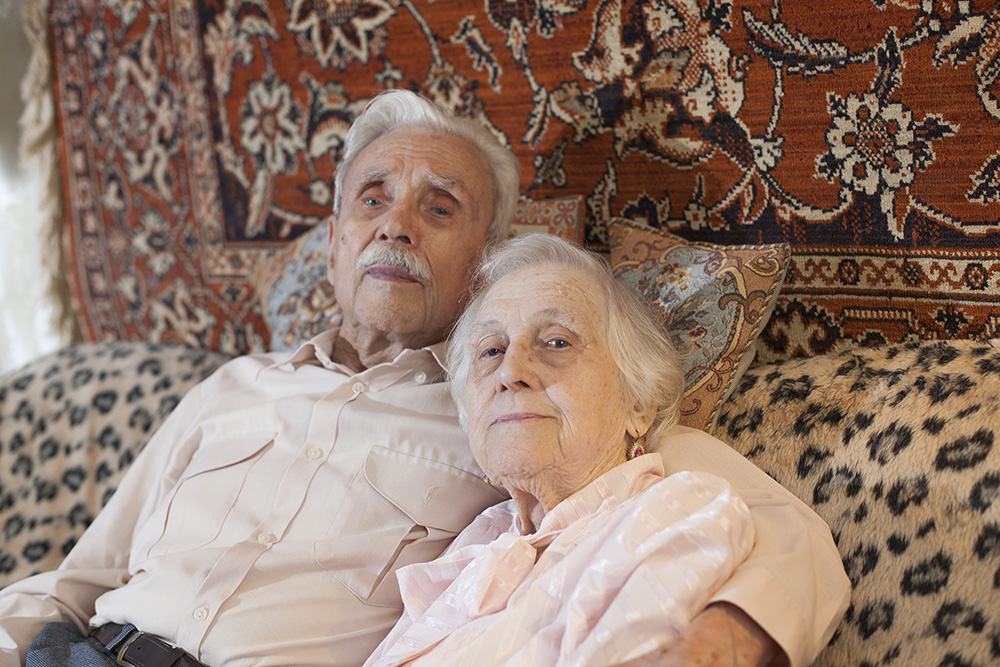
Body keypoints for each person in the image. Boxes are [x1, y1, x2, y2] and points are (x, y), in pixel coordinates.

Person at [0, 89, 848, 667]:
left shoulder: (511, 405)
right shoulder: (231, 389)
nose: (396, 224)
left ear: (484, 261)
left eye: (439, 206)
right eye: (372, 198)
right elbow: (72, 585)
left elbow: (787, 535)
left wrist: (722, 640)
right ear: (335, 241)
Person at [364, 233, 764, 666]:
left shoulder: (676, 515)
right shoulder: (483, 538)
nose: (510, 371)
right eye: (492, 350)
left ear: (638, 404)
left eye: (557, 342)